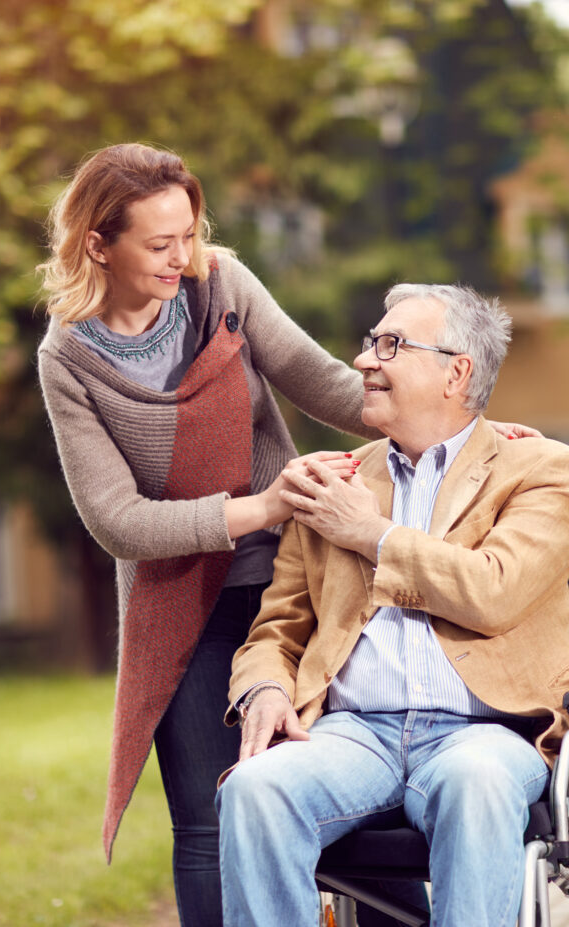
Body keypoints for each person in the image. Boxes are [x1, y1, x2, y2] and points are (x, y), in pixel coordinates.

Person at [36, 143, 534, 927]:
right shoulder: (69, 359)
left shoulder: (220, 286)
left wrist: (459, 422)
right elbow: (117, 521)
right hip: (183, 598)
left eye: (190, 234)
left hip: (296, 572)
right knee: (208, 817)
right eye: (159, 244)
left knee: (364, 777)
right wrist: (263, 508)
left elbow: (326, 381)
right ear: (99, 244)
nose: (182, 257)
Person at [216, 283, 569, 927]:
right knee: (253, 789)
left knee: (476, 785)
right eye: (370, 343)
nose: (364, 360)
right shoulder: (334, 479)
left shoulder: (545, 470)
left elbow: (494, 590)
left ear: (457, 371)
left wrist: (372, 535)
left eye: (390, 345)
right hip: (353, 733)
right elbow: (276, 631)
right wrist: (264, 692)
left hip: (486, 732)